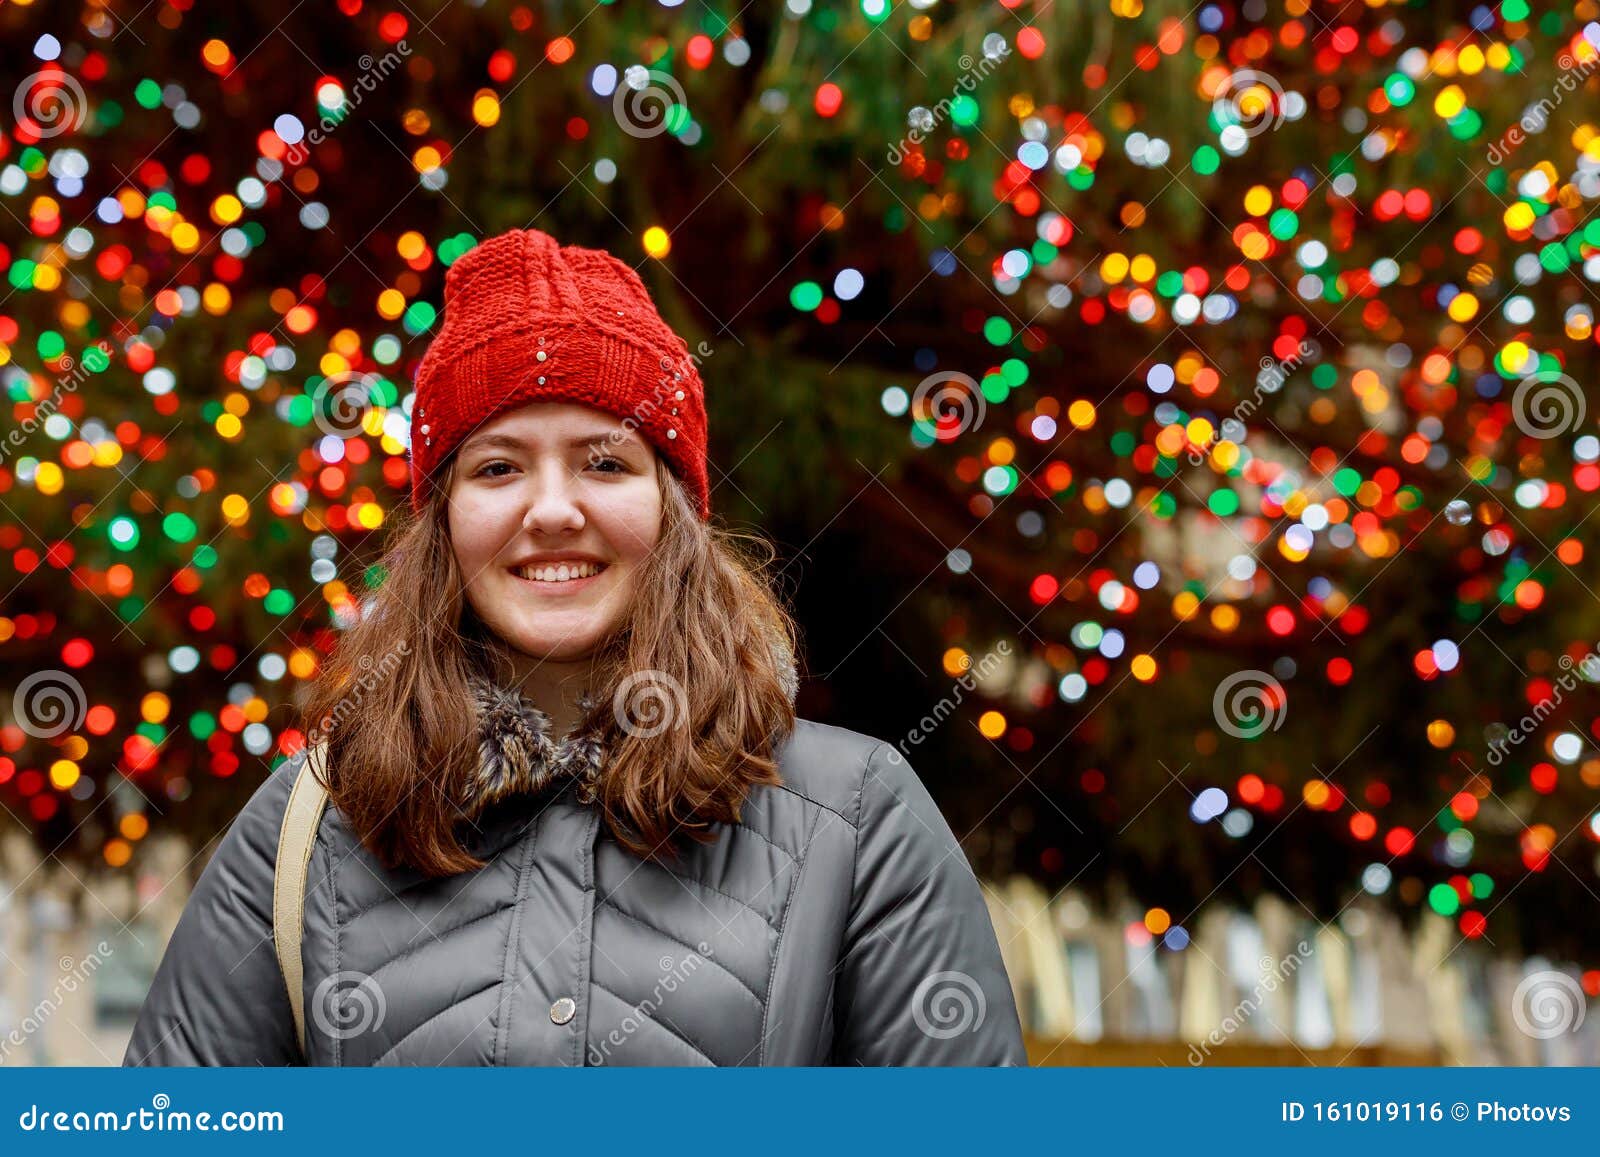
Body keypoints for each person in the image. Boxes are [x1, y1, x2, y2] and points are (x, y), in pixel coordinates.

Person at [123, 227, 1026, 1067]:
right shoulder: (308, 825)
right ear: (442, 523)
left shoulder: (855, 820)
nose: (552, 510)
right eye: (498, 466)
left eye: (605, 461)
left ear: (674, 512)